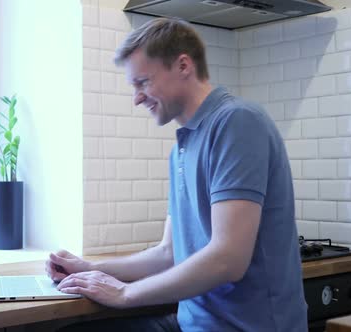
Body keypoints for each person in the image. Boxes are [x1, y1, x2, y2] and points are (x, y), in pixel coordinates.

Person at [46, 17, 307, 332]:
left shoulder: (237, 123)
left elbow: (228, 259)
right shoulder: (183, 146)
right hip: (194, 324)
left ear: (183, 66)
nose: (137, 97)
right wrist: (91, 268)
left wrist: (125, 293)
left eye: (142, 82)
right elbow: (169, 253)